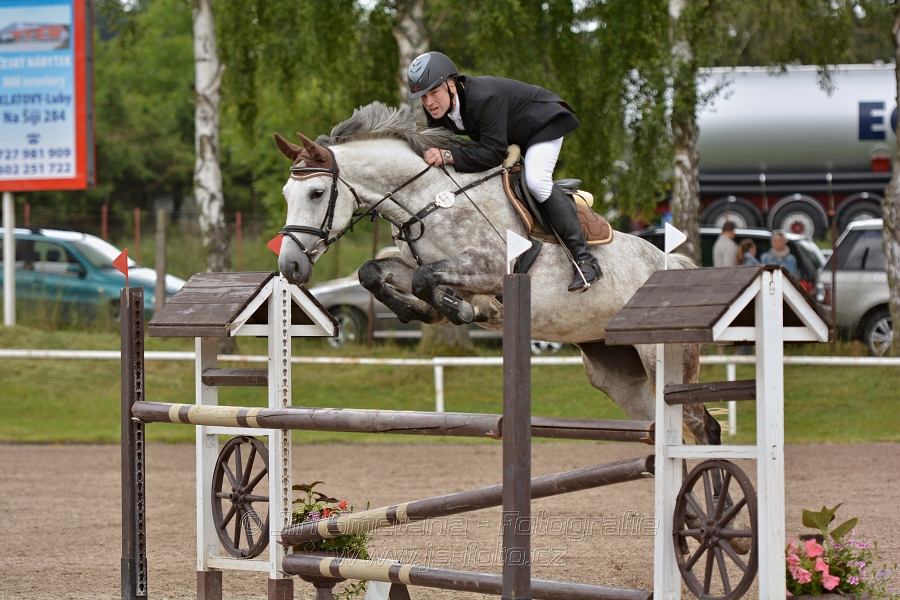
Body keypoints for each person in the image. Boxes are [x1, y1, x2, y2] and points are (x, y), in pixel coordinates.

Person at [406, 51, 601, 292]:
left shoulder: (484, 97)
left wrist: (447, 156)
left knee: (536, 181)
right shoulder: (437, 109)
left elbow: (492, 154)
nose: (429, 103)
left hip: (542, 125)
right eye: (423, 97)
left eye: (434, 92)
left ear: (450, 85)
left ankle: (585, 261)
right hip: (510, 135)